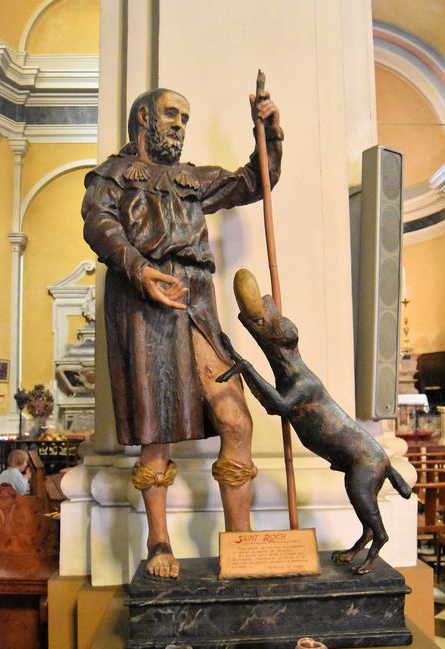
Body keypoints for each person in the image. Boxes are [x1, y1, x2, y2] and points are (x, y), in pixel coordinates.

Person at [82, 85, 283, 578]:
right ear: (143, 118)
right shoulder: (113, 175)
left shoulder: (194, 179)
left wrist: (270, 134)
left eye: (185, 118)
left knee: (235, 418)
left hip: (196, 297)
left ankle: (242, 543)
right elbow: (97, 223)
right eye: (172, 115)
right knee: (158, 426)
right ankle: (158, 541)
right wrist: (136, 267)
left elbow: (252, 181)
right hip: (144, 298)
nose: (179, 125)